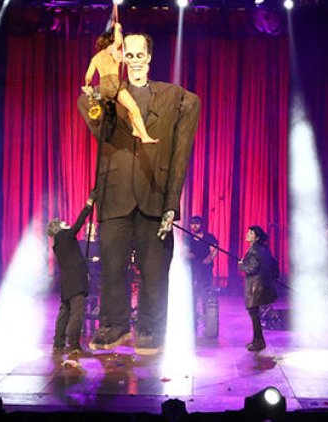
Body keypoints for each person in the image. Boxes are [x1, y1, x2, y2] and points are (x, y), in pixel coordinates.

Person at [77, 31, 200, 355]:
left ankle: (151, 328)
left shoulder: (177, 98)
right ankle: (113, 325)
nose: (133, 61)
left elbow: (180, 156)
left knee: (154, 268)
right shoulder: (107, 96)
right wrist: (100, 93)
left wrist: (172, 203)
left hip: (154, 193)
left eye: (138, 55)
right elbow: (98, 128)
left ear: (149, 57)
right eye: (127, 55)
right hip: (114, 192)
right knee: (112, 265)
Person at [83, 22, 158, 144]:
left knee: (106, 99)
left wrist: (87, 87)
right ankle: (144, 136)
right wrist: (117, 28)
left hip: (104, 88)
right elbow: (119, 40)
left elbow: (88, 77)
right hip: (114, 85)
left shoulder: (95, 58)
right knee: (134, 108)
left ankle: (135, 129)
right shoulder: (112, 50)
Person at [49, 199, 95, 353]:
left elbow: (72, 259)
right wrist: (88, 205)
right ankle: (74, 344)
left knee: (65, 311)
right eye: (62, 223)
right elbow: (79, 223)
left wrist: (86, 261)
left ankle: (58, 342)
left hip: (67, 282)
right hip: (76, 281)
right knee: (77, 311)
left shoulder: (58, 244)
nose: (65, 223)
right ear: (58, 229)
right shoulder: (64, 237)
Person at [239, 226, 278, 352]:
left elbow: (251, 268)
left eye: (251, 233)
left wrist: (241, 265)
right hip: (264, 285)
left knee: (254, 315)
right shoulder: (264, 248)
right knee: (255, 315)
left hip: (255, 287)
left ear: (257, 237)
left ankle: (259, 342)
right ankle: (257, 341)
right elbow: (273, 264)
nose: (248, 234)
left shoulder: (254, 250)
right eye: (248, 232)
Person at [186, 215, 219, 321]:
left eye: (197, 223)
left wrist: (209, 258)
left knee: (206, 291)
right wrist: (187, 254)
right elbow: (183, 249)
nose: (194, 226)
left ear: (201, 225)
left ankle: (207, 315)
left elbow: (214, 249)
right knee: (192, 291)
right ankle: (192, 313)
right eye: (192, 224)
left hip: (205, 268)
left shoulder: (208, 237)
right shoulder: (188, 237)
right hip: (192, 268)